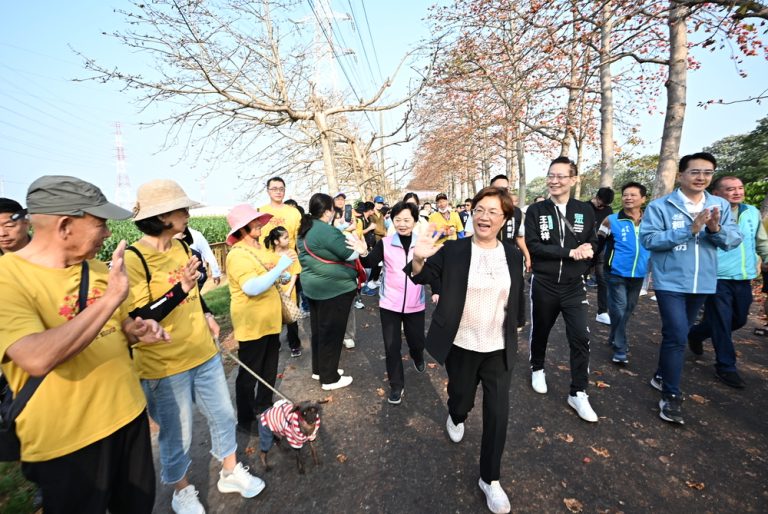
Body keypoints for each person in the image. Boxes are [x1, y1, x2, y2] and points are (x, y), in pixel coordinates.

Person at [0, 176, 170, 514]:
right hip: (67, 441)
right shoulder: (8, 278)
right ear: (65, 226)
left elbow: (117, 324)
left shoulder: (96, 268)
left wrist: (137, 329)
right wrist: (109, 301)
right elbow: (34, 357)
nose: (108, 233)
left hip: (129, 417)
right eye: (100, 223)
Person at [128, 180, 265, 514]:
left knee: (223, 414)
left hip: (203, 353)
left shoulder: (182, 248)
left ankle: (230, 470)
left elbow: (193, 294)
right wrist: (181, 287)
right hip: (164, 364)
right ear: (162, 216)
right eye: (182, 209)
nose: (188, 215)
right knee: (179, 435)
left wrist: (204, 312)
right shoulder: (134, 258)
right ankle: (182, 490)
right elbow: (138, 317)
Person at [408, 186, 522, 514]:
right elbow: (421, 276)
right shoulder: (455, 250)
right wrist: (418, 257)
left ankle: (490, 479)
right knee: (461, 399)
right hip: (463, 343)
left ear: (505, 219)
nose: (485, 217)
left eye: (493, 212)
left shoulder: (513, 254)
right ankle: (456, 415)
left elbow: (516, 293)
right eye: (480, 210)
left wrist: (518, 323)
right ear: (471, 211)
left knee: (498, 413)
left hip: (499, 348)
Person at [640, 152, 742, 424]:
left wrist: (714, 229)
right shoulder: (661, 206)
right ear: (681, 175)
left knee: (680, 332)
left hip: (703, 281)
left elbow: (733, 240)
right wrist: (689, 229)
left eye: (707, 173)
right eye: (695, 172)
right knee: (676, 334)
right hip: (670, 280)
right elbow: (649, 240)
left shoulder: (719, 204)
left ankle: (662, 374)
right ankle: (671, 396)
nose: (701, 177)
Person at [524, 156, 599, 423]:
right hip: (544, 284)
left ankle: (578, 392)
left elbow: (592, 241)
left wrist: (590, 248)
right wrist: (570, 252)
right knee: (541, 330)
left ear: (573, 180)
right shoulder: (536, 211)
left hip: (574, 287)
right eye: (550, 176)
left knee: (581, 337)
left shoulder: (585, 210)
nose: (554, 181)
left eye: (561, 176)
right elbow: (534, 246)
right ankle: (537, 367)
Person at [687, 176, 768, 388]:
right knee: (722, 321)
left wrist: (766, 258)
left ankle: (695, 333)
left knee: (739, 319)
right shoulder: (709, 212)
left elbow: (760, 240)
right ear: (717, 193)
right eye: (730, 189)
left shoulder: (751, 212)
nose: (737, 192)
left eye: (740, 188)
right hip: (716, 276)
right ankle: (726, 366)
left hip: (743, 276)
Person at [225, 206, 295, 432]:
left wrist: (282, 275)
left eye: (258, 220)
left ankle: (264, 407)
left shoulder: (261, 250)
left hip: (271, 322)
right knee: (249, 374)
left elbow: (271, 276)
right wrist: (281, 267)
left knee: (269, 368)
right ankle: (245, 420)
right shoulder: (237, 255)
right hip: (251, 324)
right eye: (252, 221)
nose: (258, 224)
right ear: (240, 228)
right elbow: (252, 287)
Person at [298, 193, 369, 390]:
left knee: (320, 331)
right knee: (332, 333)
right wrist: (362, 248)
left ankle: (319, 370)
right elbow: (351, 253)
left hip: (313, 287)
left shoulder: (306, 228)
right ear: (329, 211)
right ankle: (329, 379)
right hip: (333, 289)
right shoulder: (325, 231)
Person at [362, 201, 430, 405]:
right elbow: (369, 263)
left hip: (415, 303)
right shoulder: (386, 243)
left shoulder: (422, 243)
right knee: (392, 346)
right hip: (390, 303)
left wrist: (437, 291)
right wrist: (363, 252)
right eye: (398, 219)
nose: (402, 224)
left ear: (415, 221)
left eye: (407, 220)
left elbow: (433, 272)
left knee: (417, 341)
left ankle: (417, 356)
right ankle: (396, 385)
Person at [598, 182, 650, 364]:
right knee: (619, 309)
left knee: (628, 309)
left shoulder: (651, 222)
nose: (628, 198)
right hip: (615, 272)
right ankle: (620, 348)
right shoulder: (611, 220)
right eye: (625, 195)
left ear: (643, 199)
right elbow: (598, 242)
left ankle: (613, 336)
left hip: (639, 274)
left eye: (633, 195)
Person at [263, 225, 303, 357]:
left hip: (289, 292)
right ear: (276, 241)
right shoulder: (268, 256)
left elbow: (295, 273)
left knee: (292, 320)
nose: (289, 240)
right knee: (275, 320)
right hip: (273, 293)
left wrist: (289, 291)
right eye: (285, 238)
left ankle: (295, 346)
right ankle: (276, 344)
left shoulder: (292, 253)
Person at [589, 187, 615, 325]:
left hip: (601, 250)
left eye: (605, 205)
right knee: (578, 277)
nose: (602, 207)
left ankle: (602, 311)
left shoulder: (608, 211)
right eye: (601, 203)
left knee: (602, 280)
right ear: (597, 197)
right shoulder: (585, 207)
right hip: (584, 249)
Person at [260, 177, 302, 250]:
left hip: (289, 258)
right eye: (274, 189)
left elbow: (299, 240)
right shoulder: (260, 212)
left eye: (281, 189)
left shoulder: (294, 212)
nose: (278, 192)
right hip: (265, 259)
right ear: (268, 191)